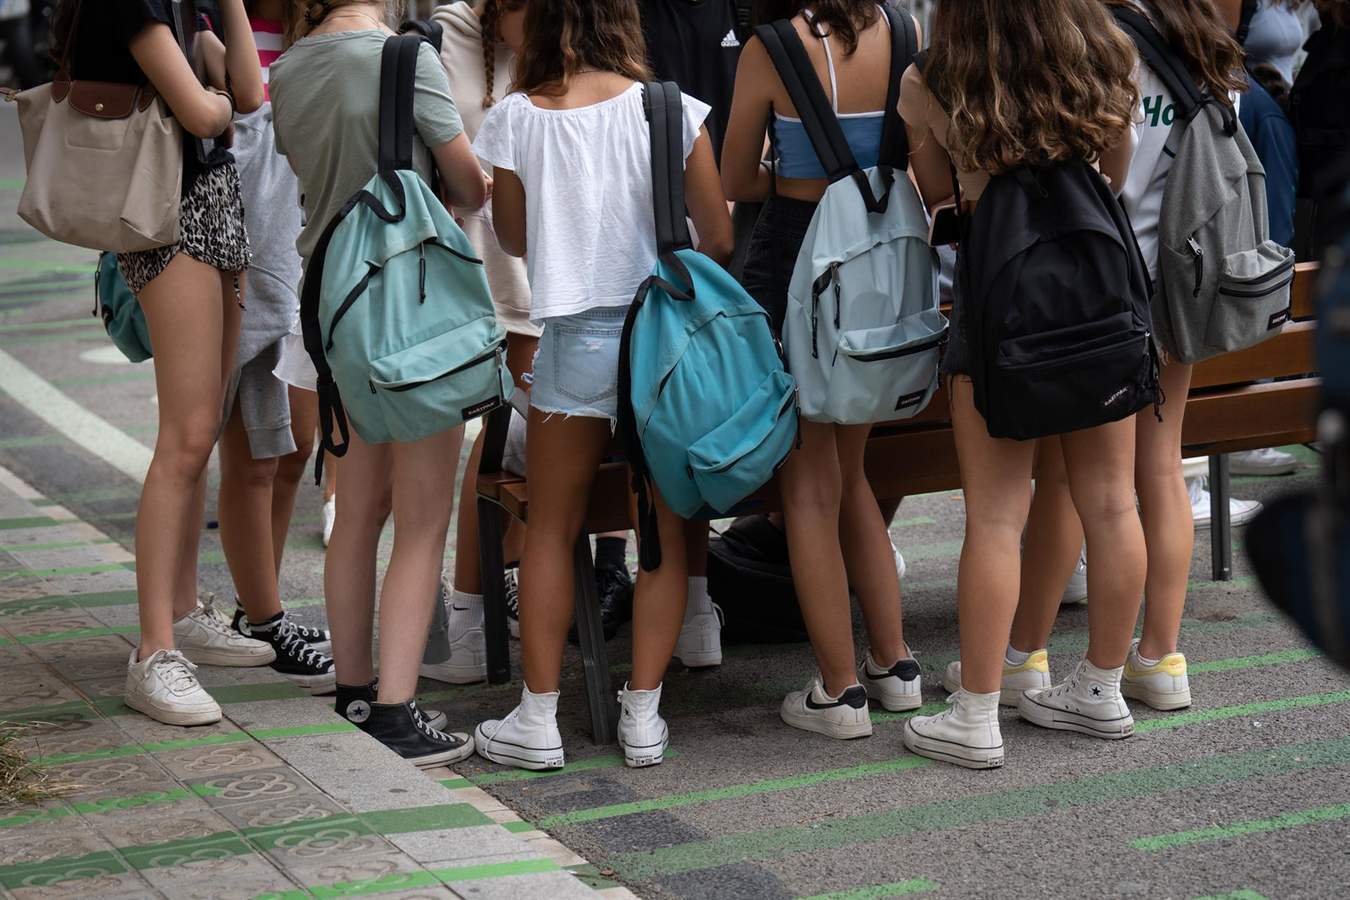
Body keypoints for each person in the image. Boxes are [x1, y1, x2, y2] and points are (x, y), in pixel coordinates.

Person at [470, 0, 733, 770]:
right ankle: (644, 714)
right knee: (664, 531)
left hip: (573, 344)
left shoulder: (519, 117)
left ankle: (538, 720)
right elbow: (717, 234)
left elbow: (514, 238)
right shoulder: (670, 109)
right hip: (660, 345)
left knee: (553, 528)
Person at [899, 0, 1145, 769]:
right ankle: (1100, 688)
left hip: (998, 293)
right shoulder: (1103, 50)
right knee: (1113, 500)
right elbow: (1117, 171)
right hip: (1097, 288)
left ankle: (976, 714)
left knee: (996, 516)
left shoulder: (934, 74)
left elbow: (934, 188)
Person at [1007, 0, 1249, 719]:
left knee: (1066, 477)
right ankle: (1160, 659)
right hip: (1183, 284)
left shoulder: (1096, 37)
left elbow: (1094, 168)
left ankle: (1024, 655)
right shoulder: (1208, 46)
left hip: (1109, 288)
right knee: (1161, 468)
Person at [270, 0, 488, 766]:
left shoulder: (288, 70)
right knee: (423, 521)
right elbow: (469, 186)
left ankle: (356, 693)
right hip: (412, 307)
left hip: (334, 305)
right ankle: (395, 710)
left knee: (357, 511)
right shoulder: (405, 59)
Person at [47, 0, 272, 726]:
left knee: (202, 429)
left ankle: (182, 611)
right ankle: (152, 654)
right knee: (186, 434)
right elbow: (205, 115)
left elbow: (247, 93)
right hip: (161, 216)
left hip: (212, 202)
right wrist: (211, 100)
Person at [721, 0, 924, 740]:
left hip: (801, 256)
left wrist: (793, 164)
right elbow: (922, 161)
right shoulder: (903, 31)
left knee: (808, 487)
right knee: (852, 473)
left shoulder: (771, 47)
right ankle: (896, 664)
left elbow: (736, 177)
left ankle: (840, 692)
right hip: (880, 262)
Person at [192, 0, 336, 695]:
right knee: (253, 459)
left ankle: (259, 608)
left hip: (304, 257)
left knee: (296, 448)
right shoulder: (206, 28)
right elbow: (248, 98)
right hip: (240, 262)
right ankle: (266, 619)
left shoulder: (327, 23)